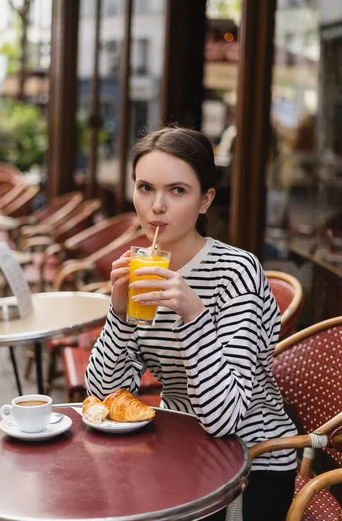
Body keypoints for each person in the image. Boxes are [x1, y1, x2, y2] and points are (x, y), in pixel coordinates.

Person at [85, 126, 297, 521]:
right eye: (145, 187)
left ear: (205, 201)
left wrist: (194, 316)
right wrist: (119, 314)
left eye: (177, 191)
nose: (156, 207)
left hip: (250, 462)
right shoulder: (140, 267)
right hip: (177, 446)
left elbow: (223, 420)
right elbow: (103, 395)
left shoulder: (237, 273)